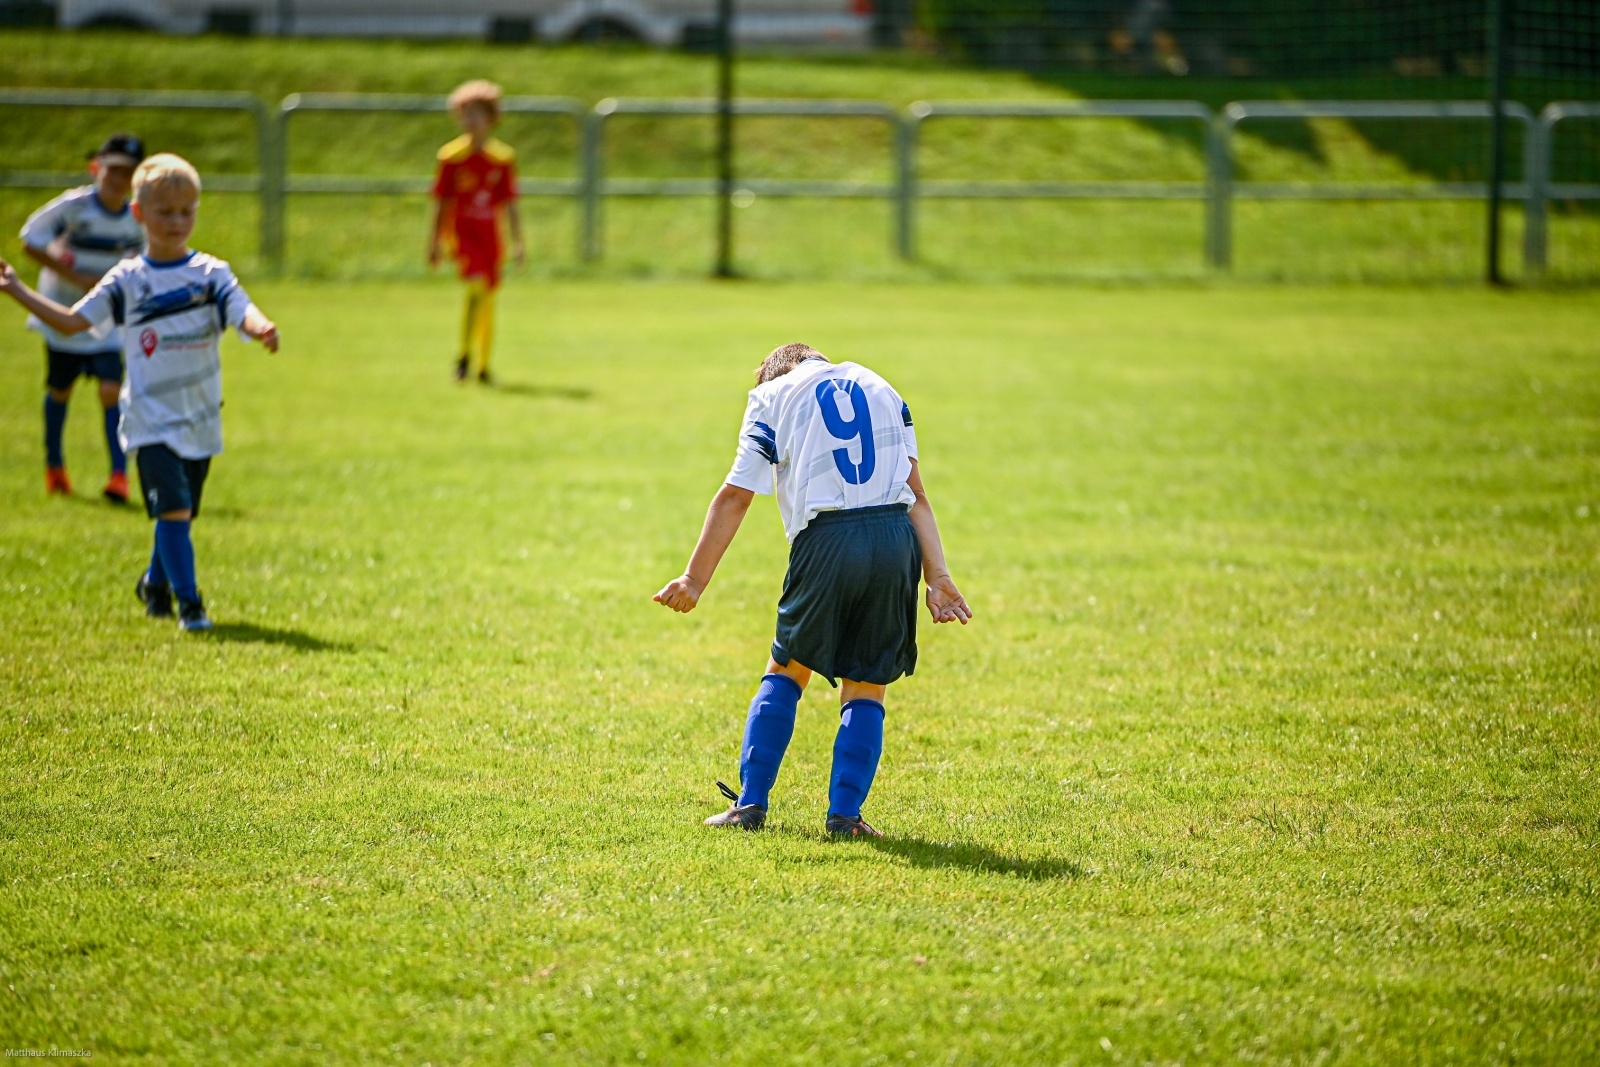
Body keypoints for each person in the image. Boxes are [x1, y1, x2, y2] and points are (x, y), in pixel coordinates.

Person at [654, 343, 972, 838]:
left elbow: (737, 494)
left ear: (773, 375)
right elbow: (917, 494)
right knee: (867, 684)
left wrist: (694, 580)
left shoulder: (771, 396)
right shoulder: (884, 387)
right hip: (895, 539)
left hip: (826, 539)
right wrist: (939, 577)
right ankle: (846, 818)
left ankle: (750, 804)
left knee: (787, 667)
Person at [0, 153, 279, 632]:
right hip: (149, 417)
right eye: (165, 212)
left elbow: (243, 309)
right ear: (139, 215)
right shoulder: (128, 279)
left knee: (180, 513)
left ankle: (154, 581)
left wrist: (261, 327)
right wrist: (16, 289)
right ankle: (190, 606)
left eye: (186, 211)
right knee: (173, 508)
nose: (176, 221)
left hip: (200, 414)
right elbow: (73, 322)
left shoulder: (212, 274)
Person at [19, 132, 148, 502]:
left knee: (111, 390)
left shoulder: (136, 219)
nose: (120, 180)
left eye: (129, 173)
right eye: (114, 171)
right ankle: (55, 465)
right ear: (97, 169)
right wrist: (73, 276)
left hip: (107, 321)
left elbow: (143, 259)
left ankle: (119, 475)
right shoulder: (75, 208)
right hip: (63, 316)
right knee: (60, 389)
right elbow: (31, 240)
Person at [428, 79, 524, 385]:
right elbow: (441, 202)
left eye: (477, 113)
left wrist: (519, 242)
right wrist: (434, 242)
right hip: (462, 234)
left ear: (491, 117)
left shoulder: (502, 158)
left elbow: (509, 204)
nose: (470, 120)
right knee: (477, 287)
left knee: (487, 297)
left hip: (489, 236)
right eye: (465, 113)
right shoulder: (450, 157)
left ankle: (481, 365)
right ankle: (464, 356)